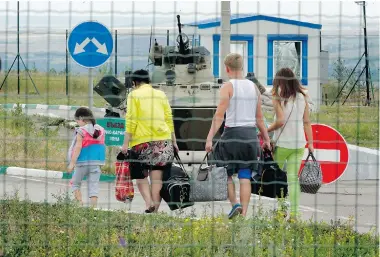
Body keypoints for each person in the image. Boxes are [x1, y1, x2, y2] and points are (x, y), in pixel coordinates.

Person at [205, 53, 271, 219]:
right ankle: (244, 213)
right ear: (242, 67)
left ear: (227, 68)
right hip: (250, 136)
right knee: (245, 175)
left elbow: (219, 115)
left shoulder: (227, 86)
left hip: (232, 134)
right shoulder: (254, 87)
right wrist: (267, 139)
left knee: (223, 171)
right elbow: (259, 118)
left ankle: (235, 203)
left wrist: (209, 138)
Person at [121, 69, 178, 213]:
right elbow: (168, 118)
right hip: (163, 140)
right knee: (157, 178)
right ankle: (155, 212)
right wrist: (174, 141)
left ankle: (149, 203)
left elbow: (131, 119)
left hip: (142, 142)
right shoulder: (161, 94)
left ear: (135, 82)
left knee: (140, 176)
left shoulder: (134, 94)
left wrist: (125, 143)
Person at [266, 67, 314, 221]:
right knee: (293, 179)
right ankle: (294, 214)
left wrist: (265, 130)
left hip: (282, 144)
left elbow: (280, 121)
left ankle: (281, 210)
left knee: (278, 178)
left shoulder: (277, 96)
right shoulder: (303, 96)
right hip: (299, 143)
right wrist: (311, 143)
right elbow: (307, 122)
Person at [67, 107, 106, 208]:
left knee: (75, 184)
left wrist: (71, 163)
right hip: (96, 163)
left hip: (82, 163)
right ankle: (93, 209)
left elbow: (78, 147)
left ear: (81, 118)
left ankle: (79, 204)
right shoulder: (101, 130)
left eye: (77, 120)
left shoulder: (81, 130)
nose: (77, 123)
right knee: (93, 186)